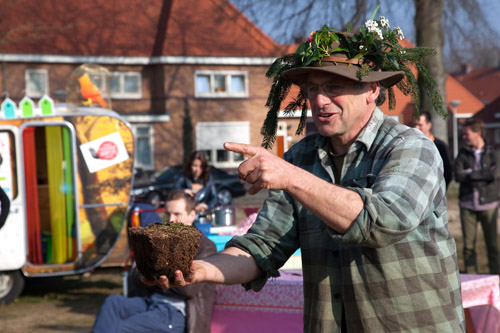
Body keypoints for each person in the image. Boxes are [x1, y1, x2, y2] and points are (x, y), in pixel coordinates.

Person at [144, 15, 465, 332]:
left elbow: (383, 222)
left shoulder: (411, 147)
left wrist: (291, 177)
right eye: (312, 89)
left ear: (372, 89)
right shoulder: (301, 156)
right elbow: (262, 246)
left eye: (335, 86)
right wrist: (200, 269)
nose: (319, 101)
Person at [93, 190, 217, 333]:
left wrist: (153, 278)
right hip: (152, 301)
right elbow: (136, 274)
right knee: (113, 303)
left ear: (192, 215)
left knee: (121, 329)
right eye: (168, 214)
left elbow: (188, 288)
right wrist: (154, 278)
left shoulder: (205, 247)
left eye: (177, 214)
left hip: (178, 312)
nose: (171, 220)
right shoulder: (160, 240)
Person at [454, 118, 500, 275]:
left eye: (466, 134)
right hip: (467, 205)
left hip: (489, 205)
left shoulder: (494, 153)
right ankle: (472, 280)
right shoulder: (463, 153)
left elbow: (494, 174)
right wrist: (482, 175)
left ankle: (496, 279)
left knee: (492, 245)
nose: (463, 137)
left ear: (477, 132)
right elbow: (458, 176)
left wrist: (470, 173)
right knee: (468, 247)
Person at [414, 111, 453, 189]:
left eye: (420, 125)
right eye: (414, 124)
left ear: (429, 125)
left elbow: (447, 171)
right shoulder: (412, 145)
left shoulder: (440, 146)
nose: (416, 128)